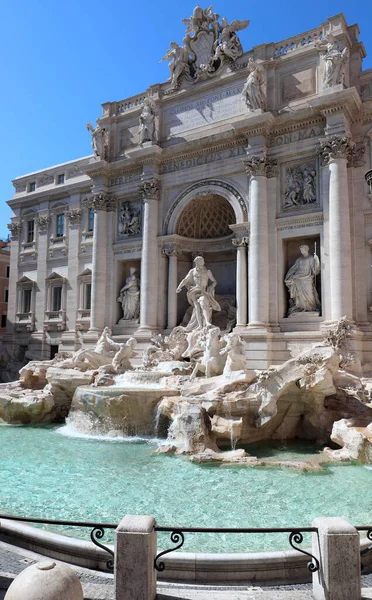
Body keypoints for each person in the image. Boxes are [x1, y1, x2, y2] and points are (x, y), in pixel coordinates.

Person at [176, 256, 221, 330]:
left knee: (202, 301)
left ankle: (206, 322)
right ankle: (200, 325)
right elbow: (185, 280)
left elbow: (214, 281)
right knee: (197, 307)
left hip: (203, 291)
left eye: (202, 261)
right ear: (196, 262)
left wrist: (211, 286)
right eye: (200, 261)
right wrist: (179, 287)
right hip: (194, 290)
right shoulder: (192, 271)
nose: (202, 262)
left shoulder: (207, 272)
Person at [285, 245, 320, 315]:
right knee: (299, 294)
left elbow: (315, 271)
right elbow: (294, 268)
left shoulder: (311, 258)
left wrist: (317, 261)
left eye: (302, 250)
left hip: (308, 278)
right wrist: (289, 276)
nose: (301, 251)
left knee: (310, 293)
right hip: (298, 278)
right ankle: (300, 307)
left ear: (306, 250)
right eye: (301, 250)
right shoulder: (299, 260)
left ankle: (311, 308)